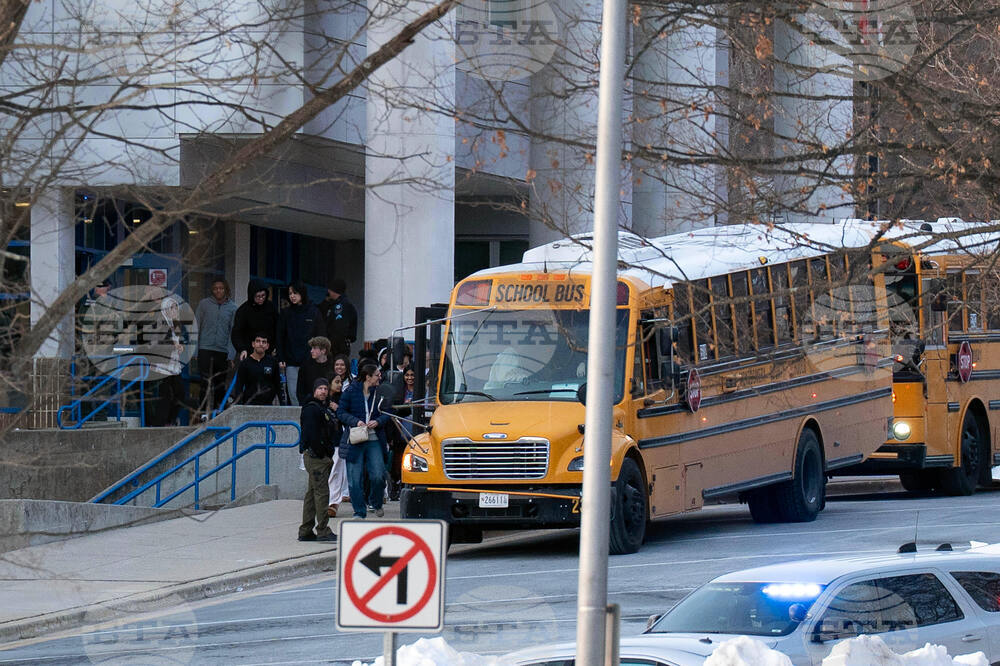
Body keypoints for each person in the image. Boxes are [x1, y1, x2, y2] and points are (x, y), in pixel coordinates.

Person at [337, 363, 390, 519]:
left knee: (378, 475)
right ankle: (359, 511)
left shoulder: (380, 392)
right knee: (354, 480)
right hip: (356, 437)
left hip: (374, 438)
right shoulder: (351, 391)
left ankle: (375, 501)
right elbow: (341, 412)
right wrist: (355, 421)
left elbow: (388, 412)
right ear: (368, 377)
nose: (380, 377)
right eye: (377, 375)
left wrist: (378, 421)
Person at [298, 378, 337, 542]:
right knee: (321, 493)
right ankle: (322, 530)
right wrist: (322, 453)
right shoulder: (311, 409)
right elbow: (313, 435)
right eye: (320, 388)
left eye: (325, 389)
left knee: (312, 493)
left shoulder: (321, 408)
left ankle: (306, 530)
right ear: (314, 390)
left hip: (318, 456)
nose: (323, 391)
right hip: (316, 457)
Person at [276, 281, 322, 406]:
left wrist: (319, 355)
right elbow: (280, 337)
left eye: (295, 293)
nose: (292, 296)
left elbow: (320, 335)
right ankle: (297, 421)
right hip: (291, 361)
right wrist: (281, 357)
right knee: (293, 392)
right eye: (290, 293)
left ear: (302, 293)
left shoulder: (314, 312)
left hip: (310, 360)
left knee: (311, 391)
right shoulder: (286, 313)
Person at [149, 296, 192, 426]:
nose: (175, 310)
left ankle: (169, 421)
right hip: (162, 365)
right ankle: (160, 424)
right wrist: (173, 346)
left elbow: (182, 340)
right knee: (165, 397)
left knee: (179, 394)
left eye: (176, 307)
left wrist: (181, 345)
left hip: (173, 365)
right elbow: (155, 345)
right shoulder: (159, 323)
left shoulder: (176, 324)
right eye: (172, 308)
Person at [195, 278, 237, 412]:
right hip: (205, 349)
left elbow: (233, 332)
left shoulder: (233, 308)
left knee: (219, 385)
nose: (218, 290)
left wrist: (231, 354)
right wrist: (195, 351)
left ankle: (218, 414)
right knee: (205, 383)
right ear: (212, 290)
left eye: (221, 288)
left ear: (226, 290)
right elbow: (196, 327)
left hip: (222, 351)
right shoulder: (204, 304)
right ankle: (203, 413)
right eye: (215, 288)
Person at [231, 280, 277, 361]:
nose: (261, 299)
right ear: (252, 295)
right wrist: (242, 349)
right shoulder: (243, 310)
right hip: (249, 353)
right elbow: (236, 333)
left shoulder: (271, 308)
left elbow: (277, 329)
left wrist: (275, 347)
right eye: (258, 296)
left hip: (268, 353)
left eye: (263, 295)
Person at [233, 332, 282, 405]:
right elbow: (239, 386)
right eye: (258, 341)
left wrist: (283, 403)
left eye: (264, 342)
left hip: (268, 405)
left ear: (267, 346)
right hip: (249, 404)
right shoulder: (245, 363)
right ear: (253, 344)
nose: (261, 344)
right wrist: (239, 405)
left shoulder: (273, 362)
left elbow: (278, 385)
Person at [326, 375, 349, 517]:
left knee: (336, 471)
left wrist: (338, 409)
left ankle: (333, 503)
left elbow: (346, 418)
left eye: (341, 382)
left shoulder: (342, 400)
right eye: (337, 382)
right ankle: (324, 501)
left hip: (337, 440)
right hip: (321, 442)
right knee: (324, 473)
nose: (340, 385)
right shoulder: (318, 401)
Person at [320, 278, 358, 357]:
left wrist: (330, 345)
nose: (328, 291)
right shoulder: (334, 304)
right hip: (335, 346)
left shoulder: (341, 306)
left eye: (330, 289)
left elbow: (339, 329)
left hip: (337, 348)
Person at [296, 336, 335, 405]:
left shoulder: (333, 366)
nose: (311, 351)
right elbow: (300, 389)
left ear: (323, 350)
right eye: (311, 348)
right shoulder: (305, 366)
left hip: (329, 404)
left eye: (314, 348)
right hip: (309, 403)